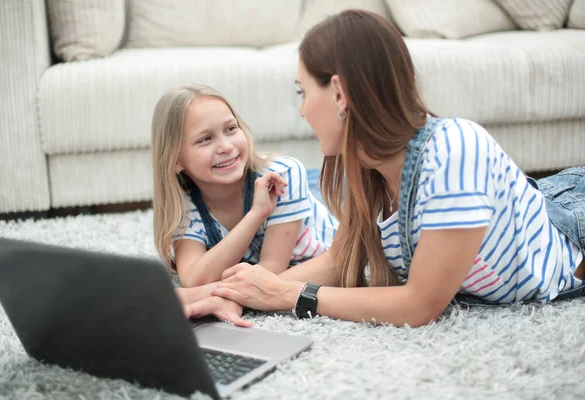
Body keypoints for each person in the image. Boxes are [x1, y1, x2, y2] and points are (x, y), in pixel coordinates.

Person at [185, 10, 585, 327]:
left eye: (302, 92)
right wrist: (233, 291)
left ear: (340, 94)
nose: (303, 110)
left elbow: (419, 305)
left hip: (571, 220)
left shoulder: (456, 147)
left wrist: (287, 295)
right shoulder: (369, 169)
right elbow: (338, 261)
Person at [151, 84, 338, 324]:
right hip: (277, 237)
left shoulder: (283, 175)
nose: (226, 147)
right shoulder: (185, 203)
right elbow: (195, 278)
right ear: (175, 160)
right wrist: (255, 215)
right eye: (205, 139)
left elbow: (272, 267)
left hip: (322, 253)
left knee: (334, 191)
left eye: (231, 129)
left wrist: (205, 296)